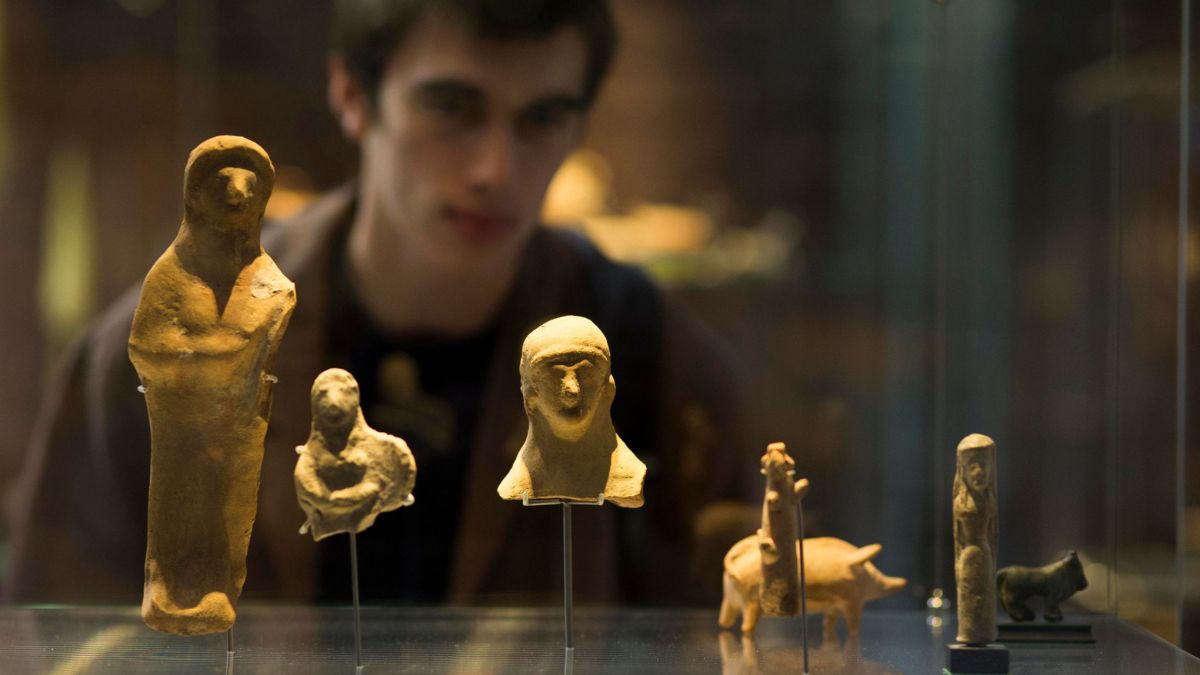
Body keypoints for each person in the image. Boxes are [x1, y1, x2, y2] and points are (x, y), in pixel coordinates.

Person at [6, 0, 750, 606]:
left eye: (543, 118)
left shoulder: (654, 355)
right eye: (452, 108)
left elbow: (732, 618)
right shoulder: (181, 341)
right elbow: (60, 625)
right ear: (353, 97)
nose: (495, 169)